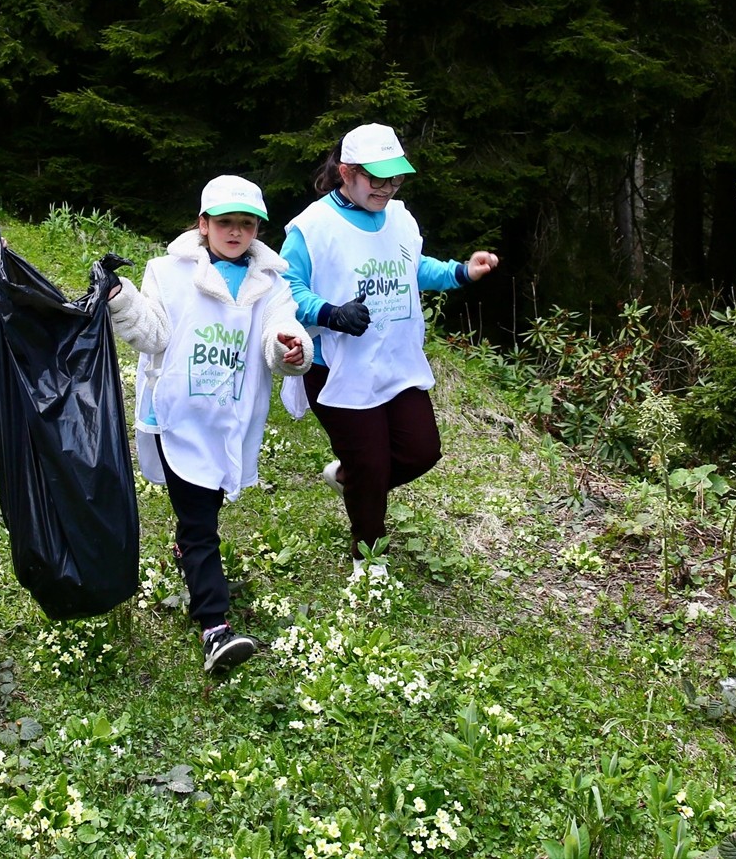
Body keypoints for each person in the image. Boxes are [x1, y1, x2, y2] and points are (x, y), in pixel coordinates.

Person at [106, 175, 313, 674]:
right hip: (181, 415)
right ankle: (214, 626)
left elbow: (278, 331)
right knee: (201, 522)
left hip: (230, 418)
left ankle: (185, 550)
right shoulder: (169, 273)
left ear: (258, 229)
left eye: (246, 224)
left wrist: (291, 349)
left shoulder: (272, 284)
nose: (235, 232)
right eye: (224, 223)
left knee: (207, 505)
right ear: (203, 225)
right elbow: (152, 332)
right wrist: (120, 299)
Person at [280, 123, 499, 576]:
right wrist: (328, 312)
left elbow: (412, 267)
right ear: (346, 172)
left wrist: (462, 272)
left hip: (396, 359)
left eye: (394, 178)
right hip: (337, 365)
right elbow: (285, 286)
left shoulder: (399, 216)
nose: (386, 188)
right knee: (372, 459)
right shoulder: (312, 227)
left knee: (422, 451)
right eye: (376, 178)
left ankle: (351, 478)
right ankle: (368, 559)